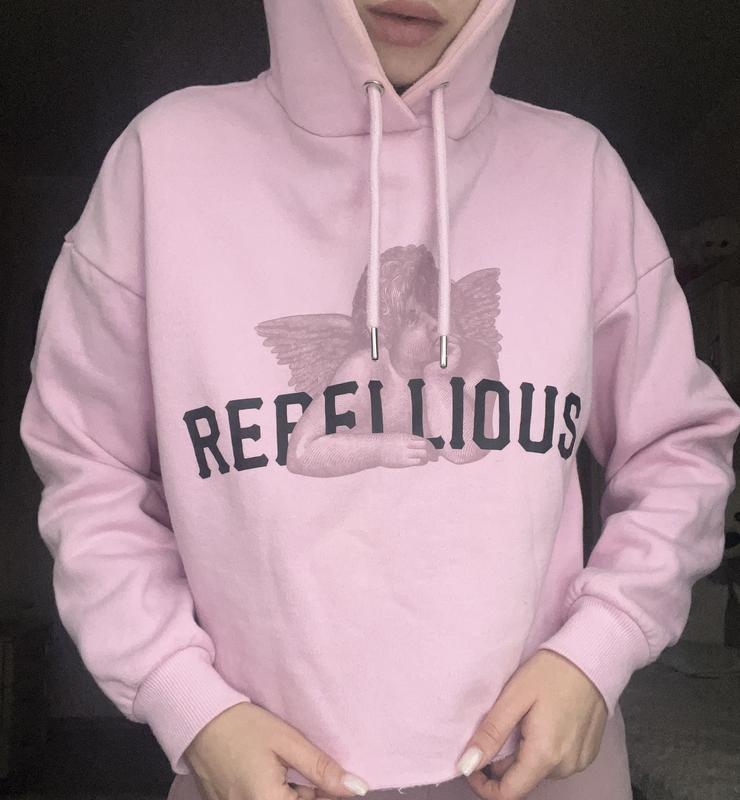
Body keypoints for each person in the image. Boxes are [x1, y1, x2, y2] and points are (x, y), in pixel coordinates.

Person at [18, 1, 740, 799]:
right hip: (258, 779)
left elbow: (678, 448)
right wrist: (188, 703)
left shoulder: (581, 177)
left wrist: (598, 649)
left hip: (538, 772)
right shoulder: (164, 165)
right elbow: (89, 469)